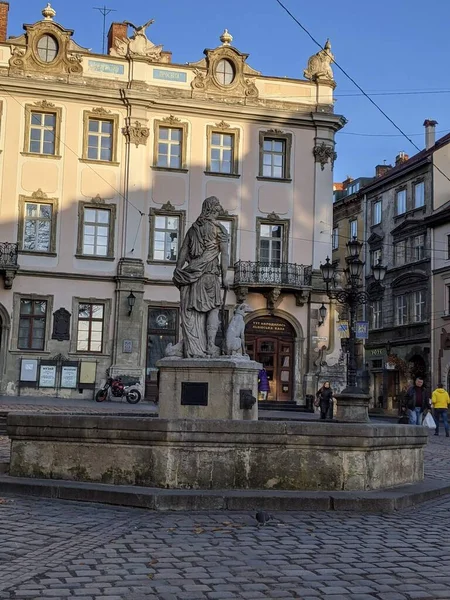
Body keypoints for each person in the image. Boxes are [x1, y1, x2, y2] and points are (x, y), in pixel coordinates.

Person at [167, 196, 229, 358]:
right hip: (210, 274)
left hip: (193, 274)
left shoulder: (193, 229)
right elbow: (225, 255)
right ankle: (209, 345)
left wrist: (179, 270)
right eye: (217, 209)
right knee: (213, 308)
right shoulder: (220, 230)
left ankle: (194, 346)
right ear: (214, 210)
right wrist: (225, 277)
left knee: (194, 312)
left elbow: (182, 252)